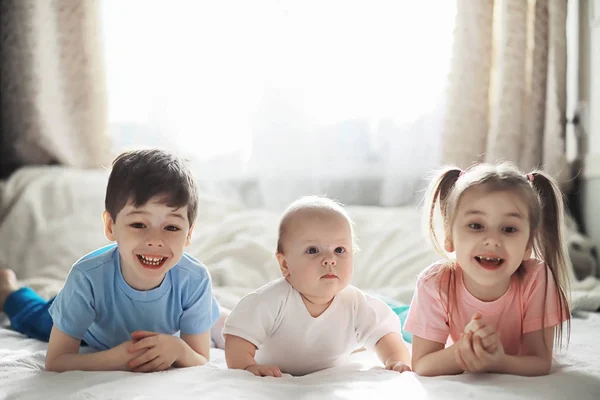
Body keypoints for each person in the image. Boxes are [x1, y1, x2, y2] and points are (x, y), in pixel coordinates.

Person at [0, 149, 224, 372]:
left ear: (189, 234)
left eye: (172, 227)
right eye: (138, 225)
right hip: (92, 328)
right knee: (33, 318)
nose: (155, 241)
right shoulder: (87, 278)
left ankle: (215, 317)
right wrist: (117, 358)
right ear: (110, 226)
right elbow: (56, 361)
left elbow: (200, 357)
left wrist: (179, 349)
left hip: (155, 315)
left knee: (211, 319)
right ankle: (8, 289)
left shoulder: (195, 279)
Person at [404, 162, 571, 377]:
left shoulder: (537, 278)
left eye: (509, 229)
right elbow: (422, 364)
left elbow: (539, 362)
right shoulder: (434, 283)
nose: (492, 240)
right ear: (449, 236)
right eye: (476, 226)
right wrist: (461, 352)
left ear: (528, 245)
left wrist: (498, 362)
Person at [223, 196, 411, 377]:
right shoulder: (270, 301)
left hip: (335, 355)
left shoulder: (355, 303)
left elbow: (385, 335)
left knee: (382, 323)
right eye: (313, 250)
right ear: (285, 264)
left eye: (340, 250)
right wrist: (247, 366)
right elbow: (238, 339)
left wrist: (396, 360)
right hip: (274, 365)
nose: (330, 259)